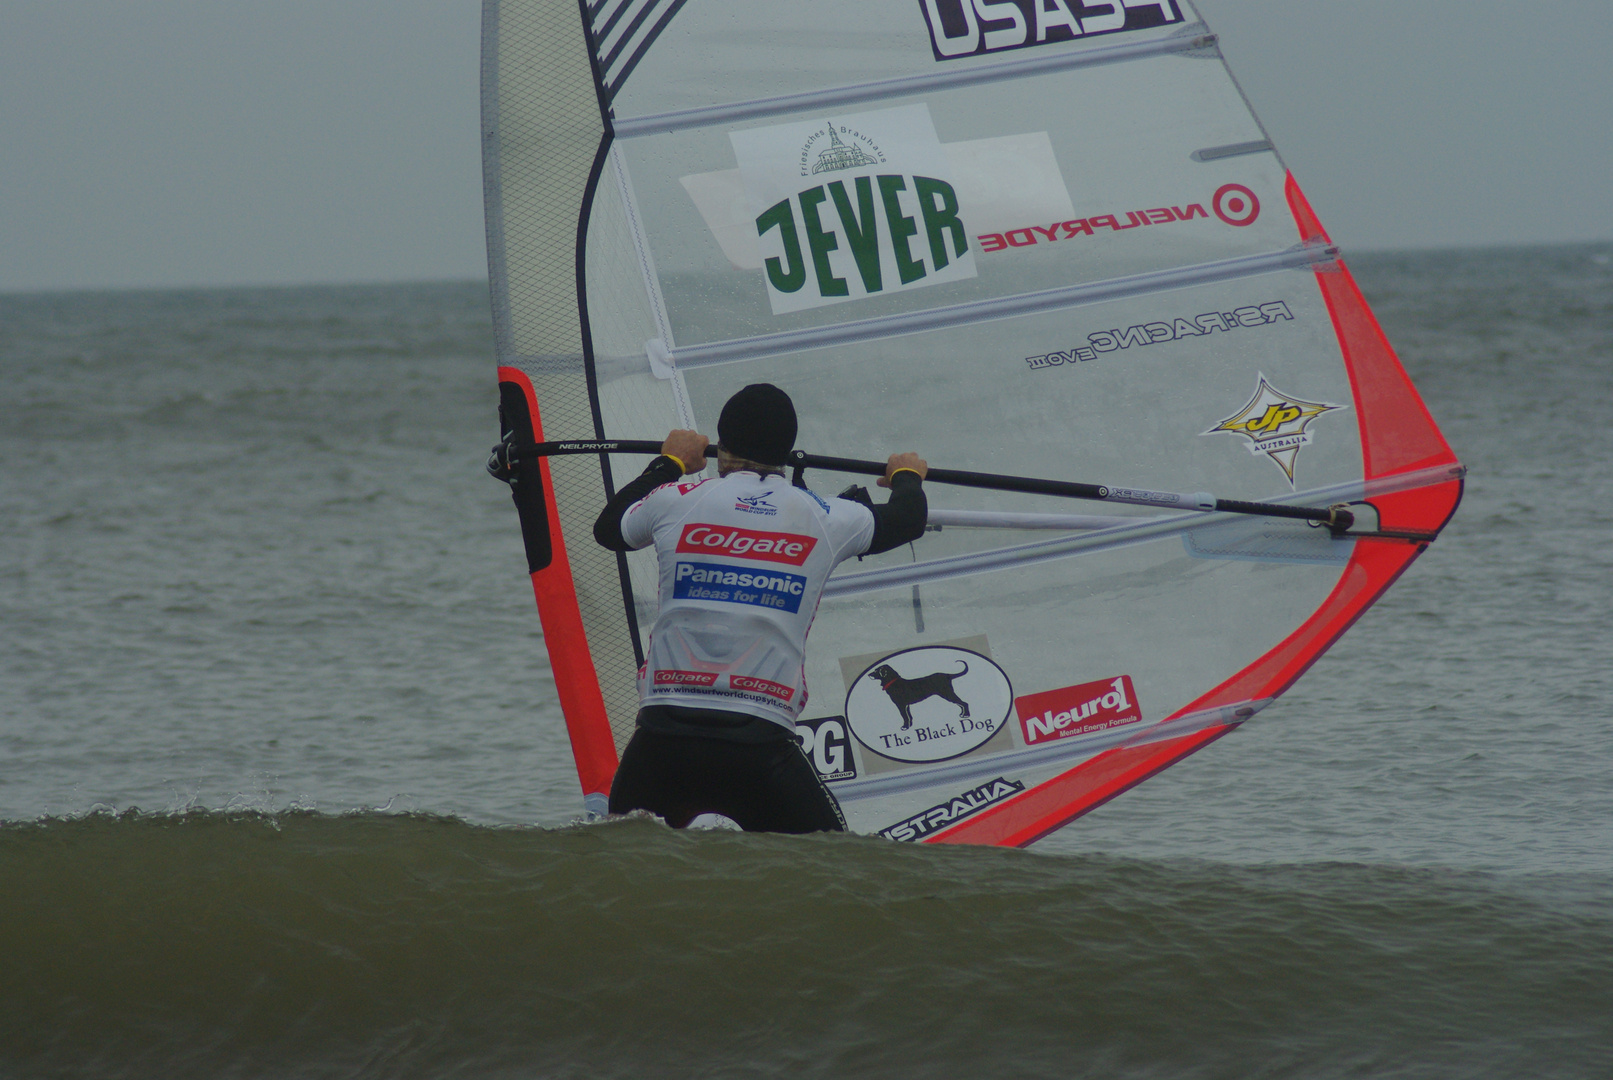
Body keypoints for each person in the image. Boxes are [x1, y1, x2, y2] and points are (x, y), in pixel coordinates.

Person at [593, 383, 928, 833]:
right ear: (787, 454)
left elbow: (610, 527)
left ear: (721, 449)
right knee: (833, 869)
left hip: (661, 744)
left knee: (623, 875)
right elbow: (909, 518)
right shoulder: (826, 516)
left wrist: (670, 463)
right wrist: (906, 475)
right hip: (760, 751)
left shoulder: (678, 499)